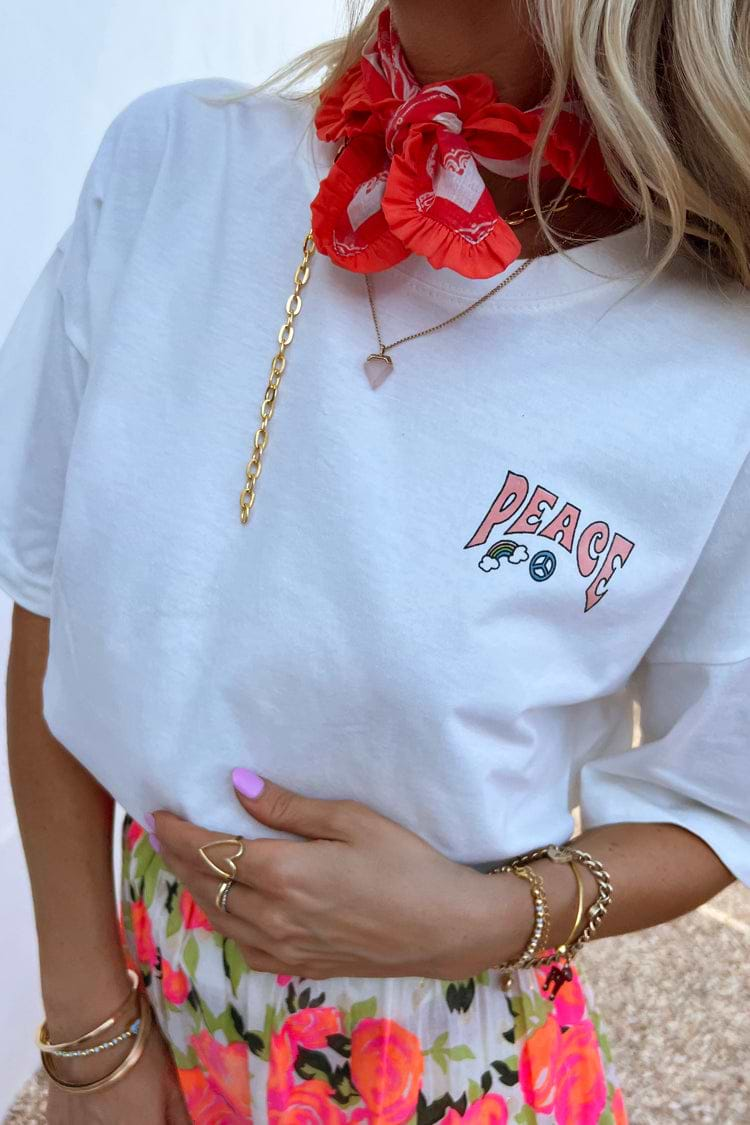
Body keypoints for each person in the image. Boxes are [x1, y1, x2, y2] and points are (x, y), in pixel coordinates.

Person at [2, 0, 749, 1121]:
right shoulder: (169, 167)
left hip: (460, 1054)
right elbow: (49, 606)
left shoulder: (717, 358)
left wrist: (492, 921)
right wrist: (88, 1037)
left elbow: (719, 797)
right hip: (143, 997)